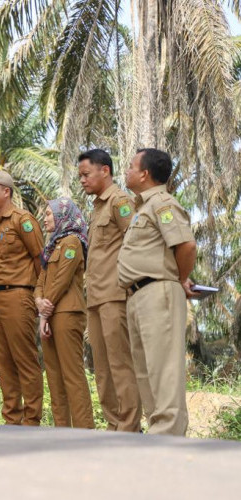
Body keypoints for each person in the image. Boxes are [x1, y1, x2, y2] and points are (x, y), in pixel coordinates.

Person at [118, 148, 197, 436]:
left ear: (144, 173)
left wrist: (180, 278)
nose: (126, 171)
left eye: (130, 166)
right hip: (138, 294)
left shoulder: (162, 204)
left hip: (158, 291)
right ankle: (157, 435)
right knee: (147, 371)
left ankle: (169, 438)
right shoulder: (143, 207)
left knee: (163, 370)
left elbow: (186, 245)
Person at [0, 168, 44, 426]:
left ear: (6, 191)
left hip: (19, 295)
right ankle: (11, 420)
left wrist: (39, 294)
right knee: (3, 362)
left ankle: (32, 420)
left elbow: (40, 259)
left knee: (25, 360)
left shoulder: (22, 220)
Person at [78, 149, 141, 432]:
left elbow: (136, 242)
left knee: (120, 365)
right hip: (95, 298)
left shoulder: (120, 201)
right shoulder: (97, 207)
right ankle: (114, 425)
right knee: (102, 370)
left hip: (116, 296)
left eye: (86, 174)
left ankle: (129, 428)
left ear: (105, 171)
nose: (82, 180)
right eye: (80, 175)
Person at [35, 197, 94, 429]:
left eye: (49, 214)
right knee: (54, 378)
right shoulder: (53, 246)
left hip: (67, 313)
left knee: (72, 376)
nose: (45, 218)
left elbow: (61, 280)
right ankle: (61, 431)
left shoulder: (72, 242)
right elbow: (41, 280)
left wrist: (44, 310)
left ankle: (84, 431)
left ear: (62, 216)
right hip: (49, 316)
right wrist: (39, 303)